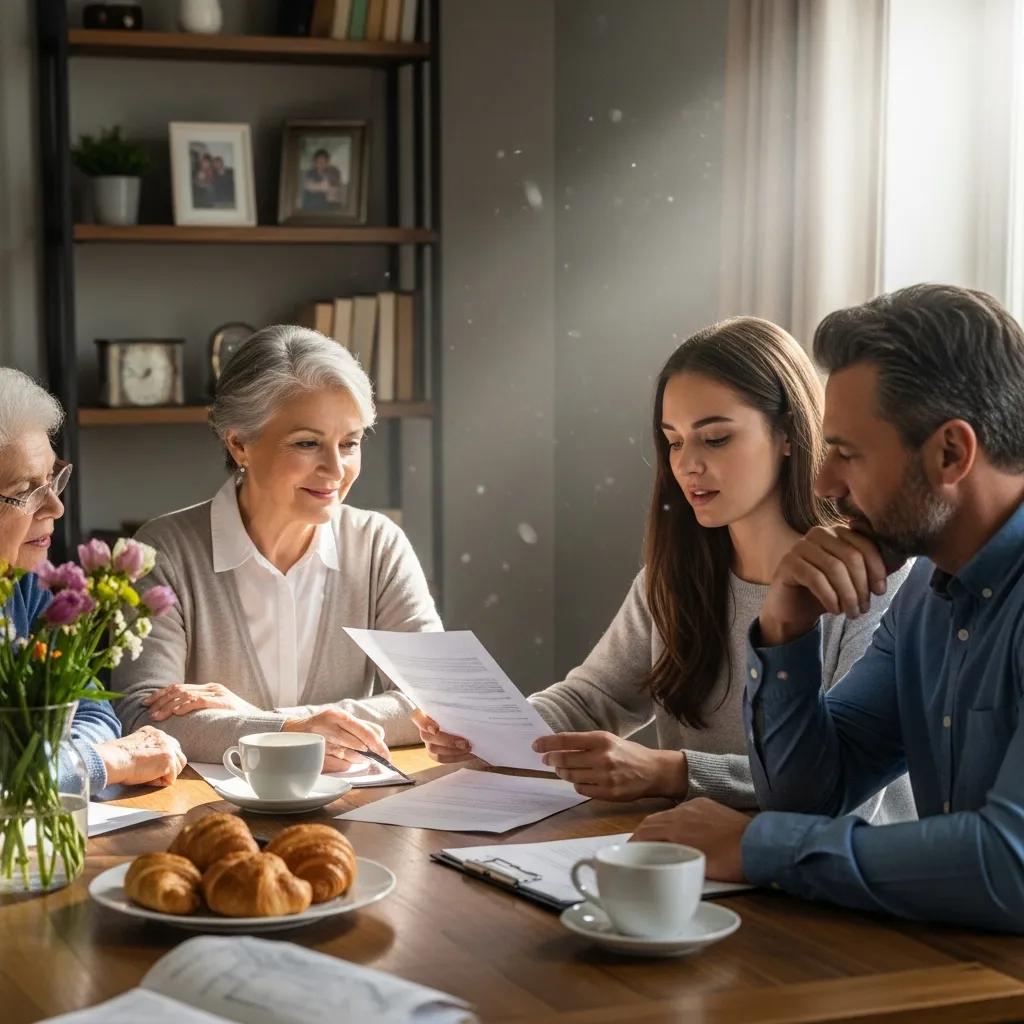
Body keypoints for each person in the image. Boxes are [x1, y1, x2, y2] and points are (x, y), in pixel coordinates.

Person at [629, 284, 1024, 933]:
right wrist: (784, 630)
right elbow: (810, 795)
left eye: (848, 453)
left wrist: (753, 847)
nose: (823, 484)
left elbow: (1011, 865)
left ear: (951, 453)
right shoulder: (927, 596)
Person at [415, 318, 913, 820]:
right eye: (674, 442)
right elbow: (594, 698)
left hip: (826, 873)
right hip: (695, 852)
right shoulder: (674, 576)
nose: (687, 465)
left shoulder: (866, 579)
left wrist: (673, 772)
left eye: (714, 439)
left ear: (787, 434)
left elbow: (836, 780)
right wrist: (492, 734)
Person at [114, 325, 441, 770]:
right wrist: (293, 733)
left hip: (360, 815)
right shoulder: (162, 552)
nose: (335, 468)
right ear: (239, 443)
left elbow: (434, 701)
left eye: (349, 443)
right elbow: (144, 720)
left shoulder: (378, 545)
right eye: (307, 443)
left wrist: (272, 723)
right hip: (204, 819)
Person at [0, 368, 185, 793]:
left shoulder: (26, 585)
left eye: (52, 480)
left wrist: (50, 769)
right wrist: (104, 760)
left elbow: (95, 713)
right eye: (28, 489)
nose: (56, 507)